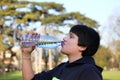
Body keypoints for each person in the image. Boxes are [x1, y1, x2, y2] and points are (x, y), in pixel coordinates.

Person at [21, 24, 103, 80]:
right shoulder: (62, 68)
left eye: (71, 37)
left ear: (82, 46)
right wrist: (26, 55)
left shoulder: (89, 71)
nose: (64, 38)